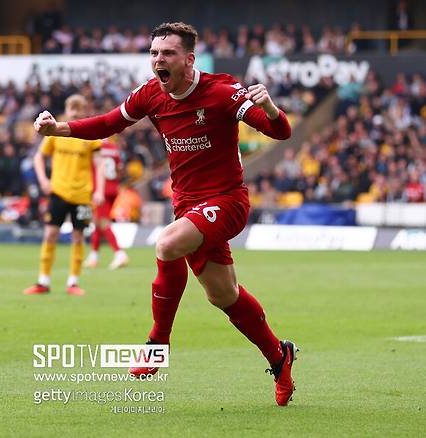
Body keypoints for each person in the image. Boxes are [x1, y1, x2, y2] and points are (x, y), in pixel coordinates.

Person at [34, 22, 297, 406]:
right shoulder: (151, 95)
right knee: (224, 296)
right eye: (154, 53)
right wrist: (60, 128)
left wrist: (270, 107)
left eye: (168, 53)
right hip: (188, 206)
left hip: (227, 201)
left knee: (167, 242)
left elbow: (282, 132)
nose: (159, 60)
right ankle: (280, 357)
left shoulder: (224, 91)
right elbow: (108, 123)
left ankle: (157, 344)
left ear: (189, 60)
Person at [23, 94, 104, 296]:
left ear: (84, 111)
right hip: (58, 192)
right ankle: (43, 281)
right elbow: (38, 158)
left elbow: (100, 164)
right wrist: (43, 180)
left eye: (79, 109)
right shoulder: (56, 133)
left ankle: (73, 283)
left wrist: (99, 190)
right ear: (66, 110)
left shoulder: (89, 136)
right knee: (50, 234)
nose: (75, 112)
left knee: (78, 237)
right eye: (72, 108)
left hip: (83, 195)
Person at [84, 138, 129, 270]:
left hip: (100, 189)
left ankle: (119, 253)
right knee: (98, 222)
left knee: (103, 222)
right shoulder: (114, 148)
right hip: (113, 189)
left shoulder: (94, 146)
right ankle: (93, 256)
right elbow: (120, 170)